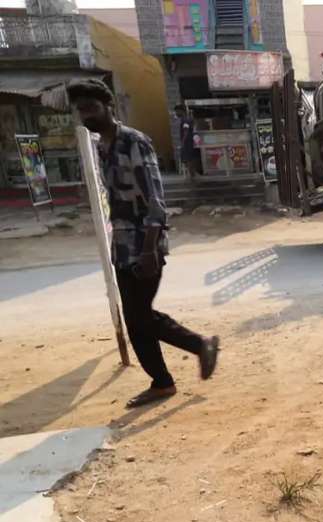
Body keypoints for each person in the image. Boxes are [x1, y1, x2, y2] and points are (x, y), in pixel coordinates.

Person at [68, 79, 219, 408]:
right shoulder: (101, 147)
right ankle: (162, 382)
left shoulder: (135, 142)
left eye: (91, 108)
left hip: (144, 244)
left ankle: (200, 345)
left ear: (109, 107)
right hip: (121, 247)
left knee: (139, 315)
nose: (86, 115)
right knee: (135, 316)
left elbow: (155, 200)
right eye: (81, 109)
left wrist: (150, 247)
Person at [175, 104, 199, 182]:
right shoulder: (189, 119)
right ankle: (193, 175)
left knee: (188, 159)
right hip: (190, 141)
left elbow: (186, 131)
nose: (176, 113)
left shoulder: (185, 120)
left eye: (177, 111)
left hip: (187, 142)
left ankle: (192, 176)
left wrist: (182, 142)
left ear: (181, 111)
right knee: (190, 159)